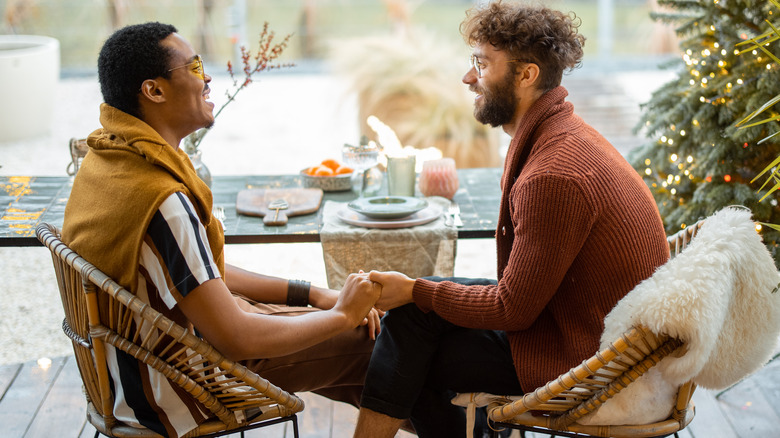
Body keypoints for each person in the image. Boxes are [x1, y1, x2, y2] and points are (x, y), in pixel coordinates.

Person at [353, 2, 670, 437]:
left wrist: (413, 289)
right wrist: (415, 292)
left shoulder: (554, 174)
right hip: (578, 324)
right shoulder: (561, 135)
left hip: (591, 360)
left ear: (526, 75)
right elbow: (519, 297)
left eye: (482, 64)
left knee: (410, 352)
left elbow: (512, 309)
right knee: (411, 317)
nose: (468, 78)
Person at [61, 22, 382, 438]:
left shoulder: (109, 159)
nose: (208, 77)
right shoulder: (160, 200)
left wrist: (313, 295)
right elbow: (237, 337)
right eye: (194, 67)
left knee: (378, 356)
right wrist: (341, 315)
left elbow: (197, 272)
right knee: (386, 343)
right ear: (154, 90)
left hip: (131, 372)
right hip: (181, 385)